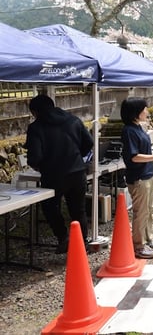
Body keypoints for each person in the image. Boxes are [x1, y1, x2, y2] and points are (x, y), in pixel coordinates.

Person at [25, 94, 93, 254]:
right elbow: (89, 142)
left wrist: (39, 166)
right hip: (77, 171)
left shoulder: (36, 127)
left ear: (35, 111)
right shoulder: (73, 120)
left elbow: (35, 156)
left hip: (53, 175)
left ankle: (63, 236)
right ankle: (82, 244)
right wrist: (77, 156)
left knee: (49, 207)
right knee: (78, 210)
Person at [120, 97, 153, 259]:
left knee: (148, 210)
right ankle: (138, 245)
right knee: (141, 212)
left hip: (147, 174)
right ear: (136, 112)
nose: (147, 111)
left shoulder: (138, 127)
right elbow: (134, 157)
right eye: (144, 109)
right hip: (138, 177)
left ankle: (148, 239)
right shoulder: (129, 131)